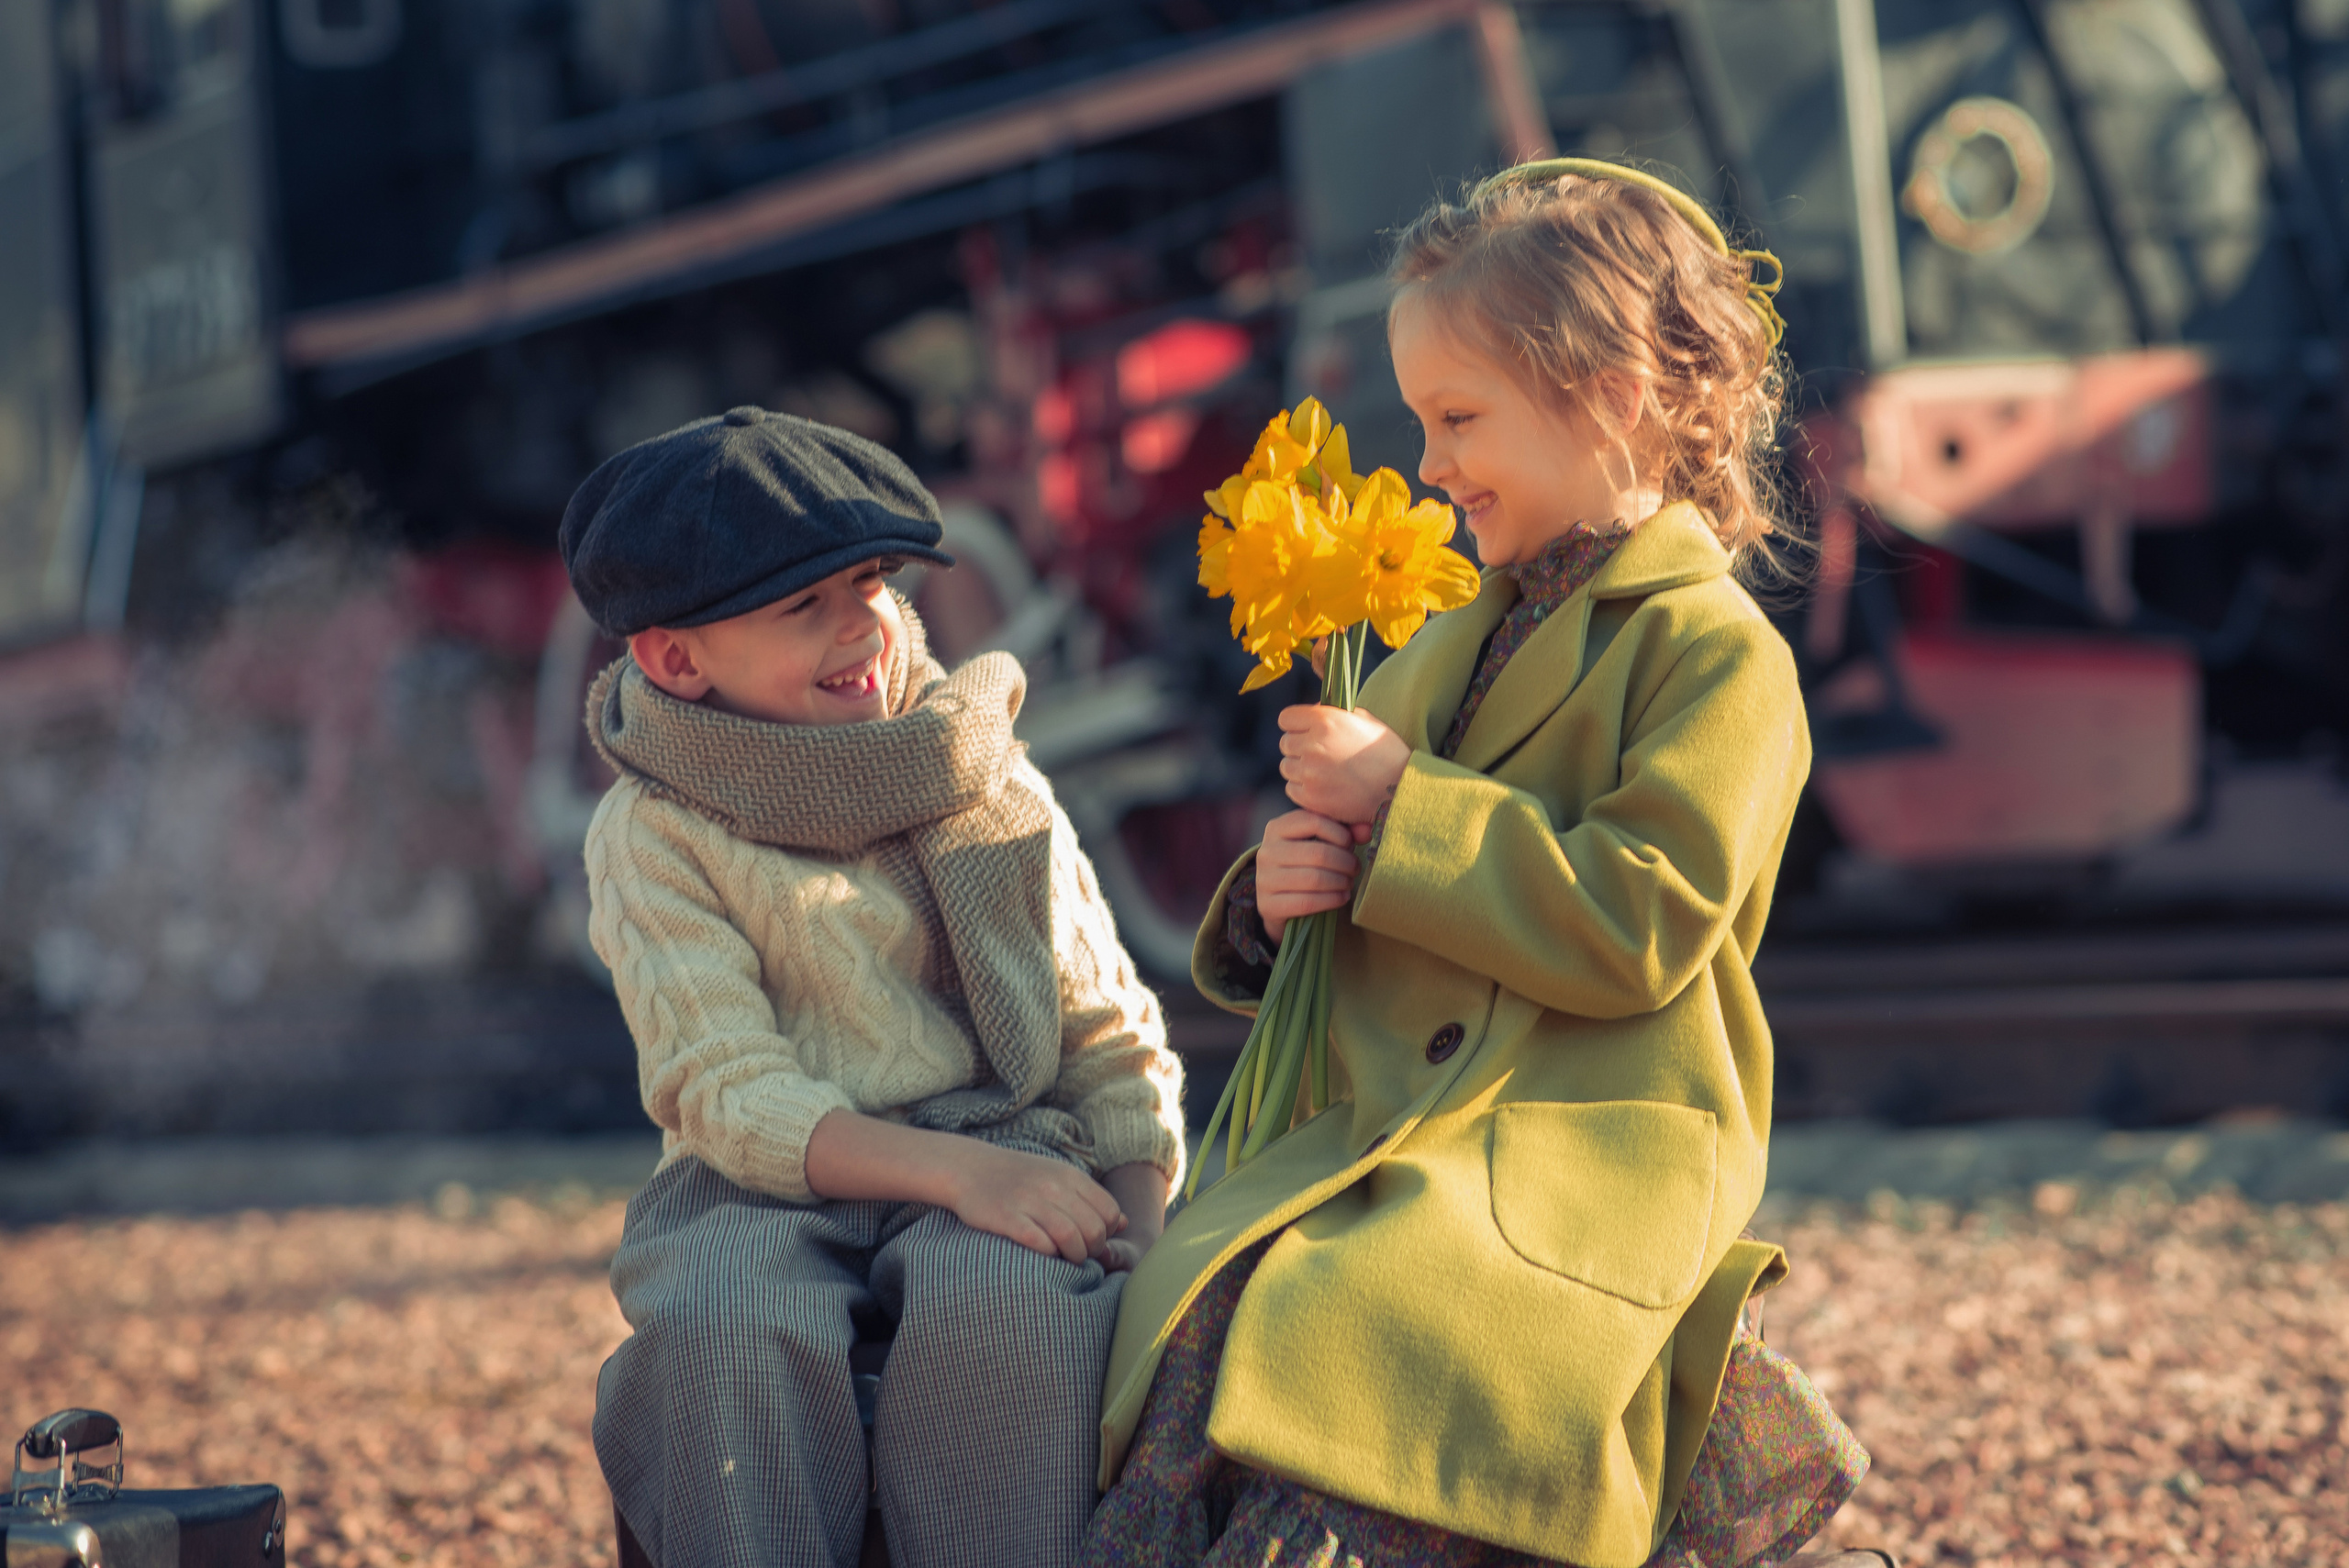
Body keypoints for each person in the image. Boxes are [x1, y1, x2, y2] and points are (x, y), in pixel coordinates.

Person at [1082, 161, 1870, 1568]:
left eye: (1460, 420)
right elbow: (1380, 877)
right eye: (1420, 422)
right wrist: (1283, 895)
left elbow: (1640, 923)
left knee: (1346, 1319)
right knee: (1202, 1303)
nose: (1431, 465)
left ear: (1615, 393)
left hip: (1582, 1137)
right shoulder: (1454, 628)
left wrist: (1406, 809)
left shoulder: (1715, 657)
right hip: (1410, 1126)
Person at [562, 406, 1186, 1568]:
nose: (863, 624)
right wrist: (960, 1171)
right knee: (723, 1331)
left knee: (1003, 1318)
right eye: (805, 605)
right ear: (674, 658)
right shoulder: (655, 829)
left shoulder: (974, 764)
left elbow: (1108, 1032)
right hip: (761, 1188)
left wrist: (1137, 1227)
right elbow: (728, 1095)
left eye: (870, 582)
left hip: (1006, 1140)